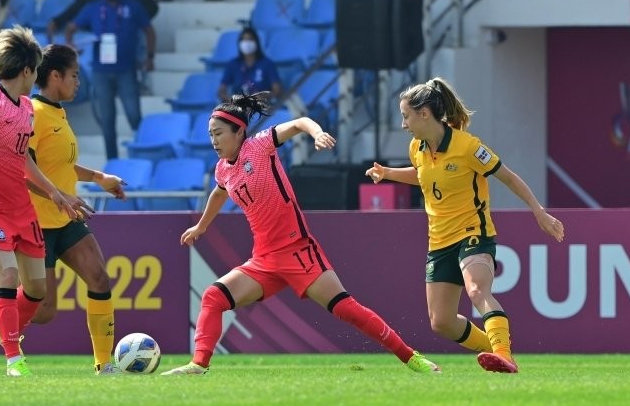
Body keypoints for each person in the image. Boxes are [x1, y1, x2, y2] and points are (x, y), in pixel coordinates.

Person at [162, 92, 441, 376]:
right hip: (263, 260)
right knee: (214, 297)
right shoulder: (223, 170)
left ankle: (411, 358)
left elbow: (299, 123)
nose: (214, 141)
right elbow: (219, 194)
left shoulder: (259, 146)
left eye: (219, 133)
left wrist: (317, 134)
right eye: (210, 134)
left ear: (239, 131)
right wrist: (202, 226)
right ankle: (199, 365)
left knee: (346, 309)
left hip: (297, 250)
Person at [365, 77, 565, 374]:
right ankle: (497, 350)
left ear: (424, 114)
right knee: (441, 322)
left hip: (473, 232)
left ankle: (504, 355)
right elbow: (422, 174)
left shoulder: (468, 147)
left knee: (476, 290)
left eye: (406, 116)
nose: (403, 124)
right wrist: (388, 173)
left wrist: (538, 212)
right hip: (439, 241)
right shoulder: (416, 148)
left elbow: (508, 177)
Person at [0, 44, 130, 375]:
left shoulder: (45, 113)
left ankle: (104, 365)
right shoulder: (23, 110)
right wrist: (54, 194)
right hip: (36, 215)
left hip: (64, 216)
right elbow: (20, 165)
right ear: (52, 75)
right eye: (74, 75)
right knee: (43, 308)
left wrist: (97, 178)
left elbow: (58, 164)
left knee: (99, 277)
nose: (78, 82)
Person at [64, 0, 156, 160]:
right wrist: (71, 46)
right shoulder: (93, 7)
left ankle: (141, 157)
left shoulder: (132, 6)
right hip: (101, 72)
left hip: (126, 69)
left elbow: (149, 30)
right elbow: (71, 28)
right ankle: (112, 161)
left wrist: (149, 57)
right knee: (107, 121)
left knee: (134, 116)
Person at [217, 26, 282, 100]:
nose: (246, 43)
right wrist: (230, 99)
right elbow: (221, 90)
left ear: (256, 42)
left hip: (261, 106)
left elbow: (277, 90)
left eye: (250, 39)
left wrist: (264, 96)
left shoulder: (267, 64)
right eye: (243, 40)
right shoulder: (233, 64)